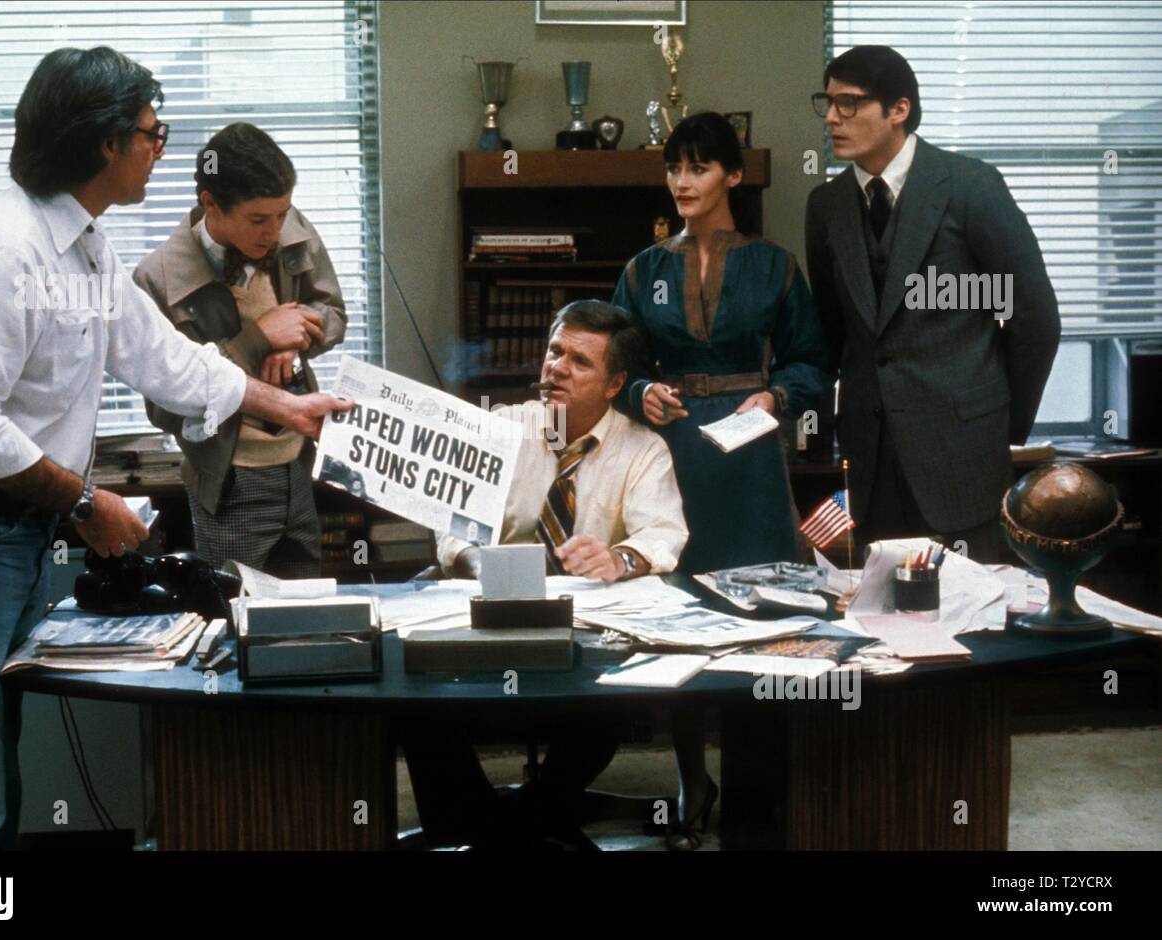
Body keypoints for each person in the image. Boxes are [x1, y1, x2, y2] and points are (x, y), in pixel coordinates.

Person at [0, 47, 349, 850]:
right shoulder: (9, 250)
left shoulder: (87, 248)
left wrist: (289, 407)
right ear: (105, 143)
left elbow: (168, 360)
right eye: (151, 132)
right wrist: (82, 501)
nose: (159, 147)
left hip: (5, 539)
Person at [610, 112, 832, 848]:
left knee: (762, 617)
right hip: (675, 455)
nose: (683, 181)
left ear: (733, 176)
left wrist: (776, 396)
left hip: (750, 454)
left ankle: (757, 793)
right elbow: (613, 363)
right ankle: (687, 777)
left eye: (700, 168)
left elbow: (808, 359)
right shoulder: (644, 271)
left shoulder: (775, 265)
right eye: (675, 167)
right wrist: (638, 391)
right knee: (677, 617)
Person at [405, 300, 689, 849]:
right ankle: (517, 821)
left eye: (579, 361)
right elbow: (453, 524)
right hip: (486, 614)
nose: (556, 367)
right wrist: (473, 561)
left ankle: (507, 824)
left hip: (582, 627)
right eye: (555, 351)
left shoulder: (643, 448)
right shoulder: (502, 426)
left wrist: (619, 559)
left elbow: (663, 535)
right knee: (413, 693)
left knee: (610, 703)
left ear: (615, 384)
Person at [805, 45, 1060, 562]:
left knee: (974, 621)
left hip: (962, 451)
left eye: (849, 103)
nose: (832, 117)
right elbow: (833, 334)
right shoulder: (826, 206)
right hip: (870, 459)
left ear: (899, 110)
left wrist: (1002, 422)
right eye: (827, 103)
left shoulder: (970, 186)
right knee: (881, 623)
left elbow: (1033, 318)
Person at [135, 123, 346, 577]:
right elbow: (165, 406)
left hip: (300, 462)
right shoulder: (155, 279)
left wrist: (296, 340)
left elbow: (333, 314)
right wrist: (258, 341)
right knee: (235, 619)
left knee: (306, 617)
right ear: (210, 203)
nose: (274, 231)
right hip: (230, 480)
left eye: (282, 214)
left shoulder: (287, 224)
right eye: (258, 220)